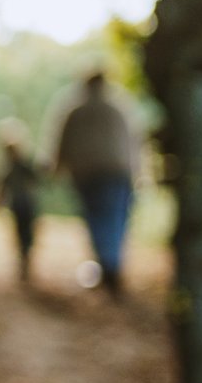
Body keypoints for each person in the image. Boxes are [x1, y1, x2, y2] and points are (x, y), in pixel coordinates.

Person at [49, 71, 140, 295]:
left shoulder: (75, 110)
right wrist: (138, 174)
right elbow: (134, 144)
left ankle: (107, 265)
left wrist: (57, 169)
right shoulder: (119, 109)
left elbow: (62, 142)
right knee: (115, 220)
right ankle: (112, 265)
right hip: (118, 173)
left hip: (86, 174)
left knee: (96, 220)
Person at [0, 124, 40, 283]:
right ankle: (24, 258)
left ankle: (26, 257)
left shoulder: (24, 164)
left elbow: (37, 178)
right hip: (21, 204)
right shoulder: (11, 167)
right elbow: (1, 185)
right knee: (22, 232)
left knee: (26, 232)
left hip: (26, 203)